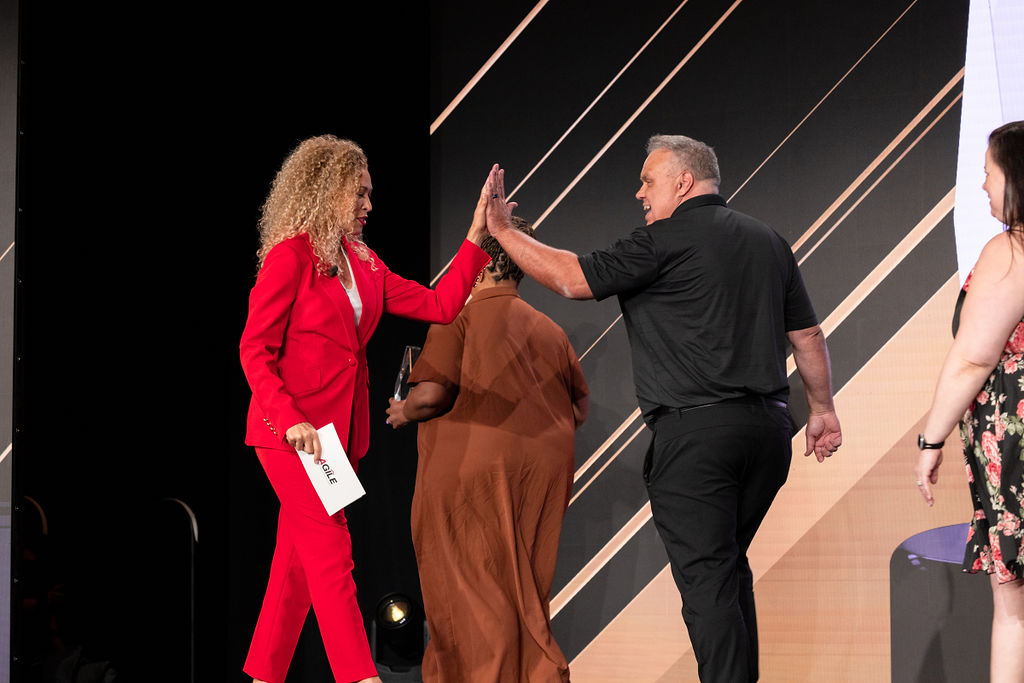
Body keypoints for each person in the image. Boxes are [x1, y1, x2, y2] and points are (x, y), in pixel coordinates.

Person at [480, 134, 842, 683]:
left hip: (697, 440)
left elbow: (572, 279)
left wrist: (503, 232)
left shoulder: (660, 242)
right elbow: (809, 336)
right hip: (768, 433)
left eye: (648, 181)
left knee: (707, 585)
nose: (639, 193)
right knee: (724, 573)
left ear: (683, 182)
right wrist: (822, 410)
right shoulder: (769, 240)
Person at [238, 135, 492, 683]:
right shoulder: (292, 257)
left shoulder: (364, 263)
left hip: (334, 438)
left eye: (369, 195)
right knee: (332, 557)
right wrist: (292, 421)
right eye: (360, 194)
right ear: (327, 192)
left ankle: (262, 676)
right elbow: (253, 350)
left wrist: (477, 237)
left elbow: (440, 305)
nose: (369, 205)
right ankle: (360, 677)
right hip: (292, 437)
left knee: (295, 565)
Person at [384, 216, 589, 682]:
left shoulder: (456, 314)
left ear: (477, 267)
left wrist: (402, 410)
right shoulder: (550, 331)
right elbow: (577, 409)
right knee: (524, 595)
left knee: (470, 593)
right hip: (539, 482)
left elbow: (432, 395)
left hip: (466, 478)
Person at [916, 120, 1024, 682]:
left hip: (1017, 445)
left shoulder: (1010, 251)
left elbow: (974, 359)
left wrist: (931, 438)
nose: (983, 185)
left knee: (1015, 607)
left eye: (989, 173)